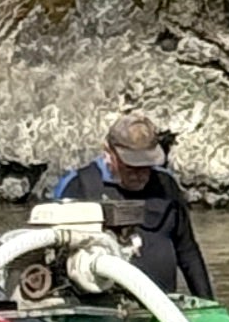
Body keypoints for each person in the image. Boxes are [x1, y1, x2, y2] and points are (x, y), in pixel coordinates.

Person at [52, 116, 216, 305]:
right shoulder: (79, 185)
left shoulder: (166, 185)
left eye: (146, 167)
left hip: (162, 309)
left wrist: (208, 303)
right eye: (130, 167)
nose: (140, 175)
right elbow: (54, 257)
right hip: (99, 310)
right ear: (108, 152)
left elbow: (187, 251)